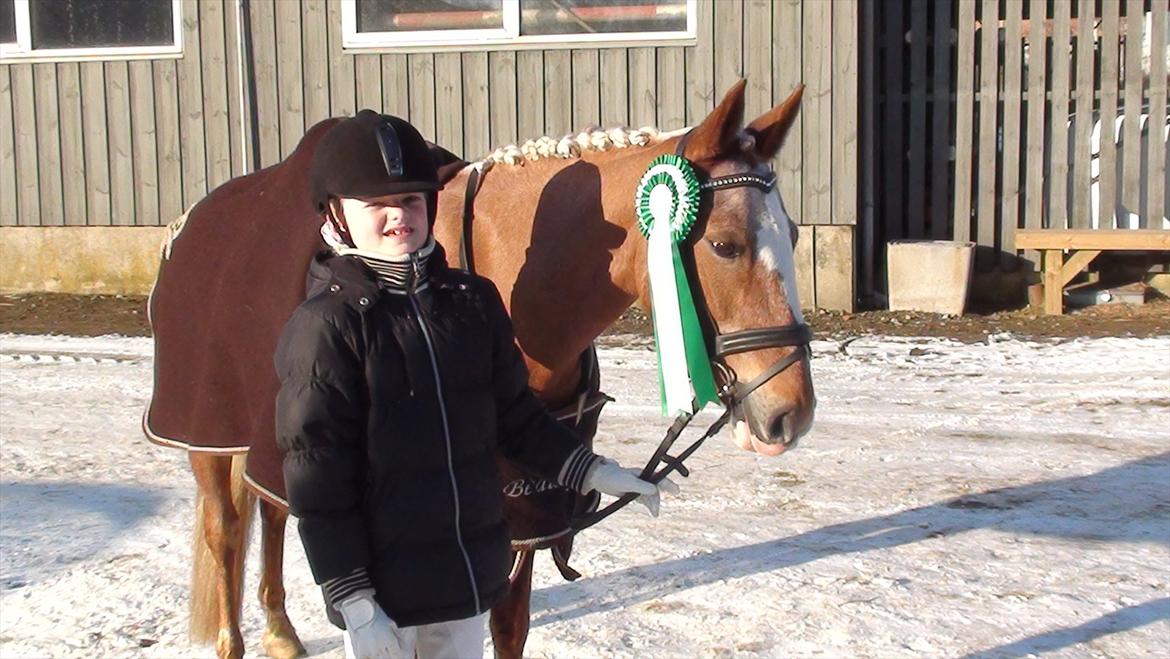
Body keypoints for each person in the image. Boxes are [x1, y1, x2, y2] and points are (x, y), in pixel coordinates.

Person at [274, 110, 677, 659]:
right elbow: (317, 476)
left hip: (466, 582)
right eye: (377, 207)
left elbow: (515, 418)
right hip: (382, 595)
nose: (399, 217)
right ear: (339, 217)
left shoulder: (471, 302)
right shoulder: (325, 327)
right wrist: (351, 596)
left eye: (412, 201)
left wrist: (595, 471)